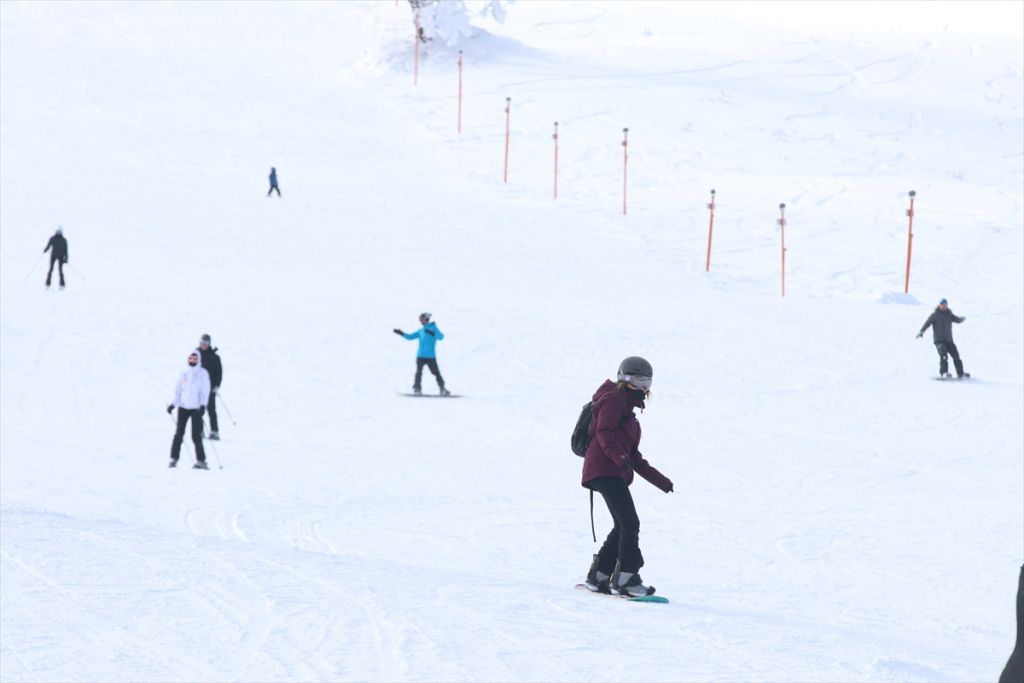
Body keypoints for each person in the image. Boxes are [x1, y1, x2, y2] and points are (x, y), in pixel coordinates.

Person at [581, 356, 673, 597]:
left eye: (648, 381)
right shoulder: (613, 399)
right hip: (604, 469)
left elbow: (634, 457)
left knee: (622, 524)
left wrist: (661, 481)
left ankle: (599, 574)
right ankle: (626, 578)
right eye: (639, 379)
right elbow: (604, 431)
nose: (644, 386)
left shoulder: (630, 416)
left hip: (612, 471)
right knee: (630, 523)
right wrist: (618, 458)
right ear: (625, 378)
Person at [166, 351, 211, 469]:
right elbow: (178, 390)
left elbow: (205, 391)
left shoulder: (202, 373)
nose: (192, 360)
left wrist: (203, 405)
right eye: (190, 358)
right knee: (179, 433)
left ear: (199, 360)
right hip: (183, 407)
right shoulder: (184, 373)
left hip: (196, 408)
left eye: (195, 359)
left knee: (196, 435)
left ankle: (201, 461)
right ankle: (173, 459)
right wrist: (173, 404)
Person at [393, 312, 449, 396]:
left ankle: (443, 389)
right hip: (420, 356)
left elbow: (441, 337)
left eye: (422, 320)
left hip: (430, 356)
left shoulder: (434, 328)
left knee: (436, 373)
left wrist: (433, 333)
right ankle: (417, 389)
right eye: (420, 320)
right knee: (418, 372)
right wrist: (402, 333)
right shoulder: (421, 331)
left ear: (426, 319)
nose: (420, 321)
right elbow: (410, 337)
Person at [916, 298, 970, 379]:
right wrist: (921, 331)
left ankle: (960, 373)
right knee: (943, 355)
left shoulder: (949, 315)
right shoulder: (935, 315)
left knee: (956, 356)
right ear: (939, 305)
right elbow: (927, 323)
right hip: (939, 340)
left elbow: (956, 319)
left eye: (945, 305)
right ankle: (944, 372)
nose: (944, 307)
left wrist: (961, 319)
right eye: (942, 305)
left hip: (949, 340)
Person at [196, 334, 223, 440]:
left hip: (210, 388)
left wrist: (216, 386)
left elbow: (219, 374)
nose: (203, 345)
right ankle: (199, 431)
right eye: (201, 343)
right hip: (198, 388)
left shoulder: (215, 358)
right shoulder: (196, 355)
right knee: (198, 410)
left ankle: (214, 431)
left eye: (205, 343)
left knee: (211, 410)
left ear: (209, 344)